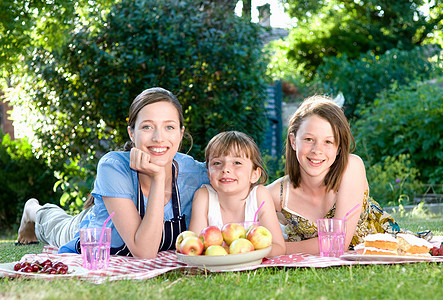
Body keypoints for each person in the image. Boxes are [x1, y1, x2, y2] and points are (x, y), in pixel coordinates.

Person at [17, 87, 209, 259]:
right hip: (95, 228)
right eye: (147, 127)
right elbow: (144, 252)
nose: (159, 137)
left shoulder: (194, 172)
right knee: (57, 225)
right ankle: (32, 211)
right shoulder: (113, 167)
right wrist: (158, 177)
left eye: (169, 127)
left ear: (181, 133)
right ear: (132, 133)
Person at [267, 95, 431, 255]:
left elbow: (337, 244)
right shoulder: (277, 193)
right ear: (293, 141)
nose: (317, 150)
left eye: (328, 142)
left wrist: (277, 249)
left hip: (383, 251)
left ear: (339, 148)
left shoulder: (351, 167)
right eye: (309, 139)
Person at [189, 131, 286, 257]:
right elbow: (194, 248)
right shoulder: (204, 197)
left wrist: (243, 253)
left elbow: (279, 247)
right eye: (217, 163)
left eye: (237, 163)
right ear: (208, 174)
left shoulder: (259, 196)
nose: (225, 169)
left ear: (254, 174)